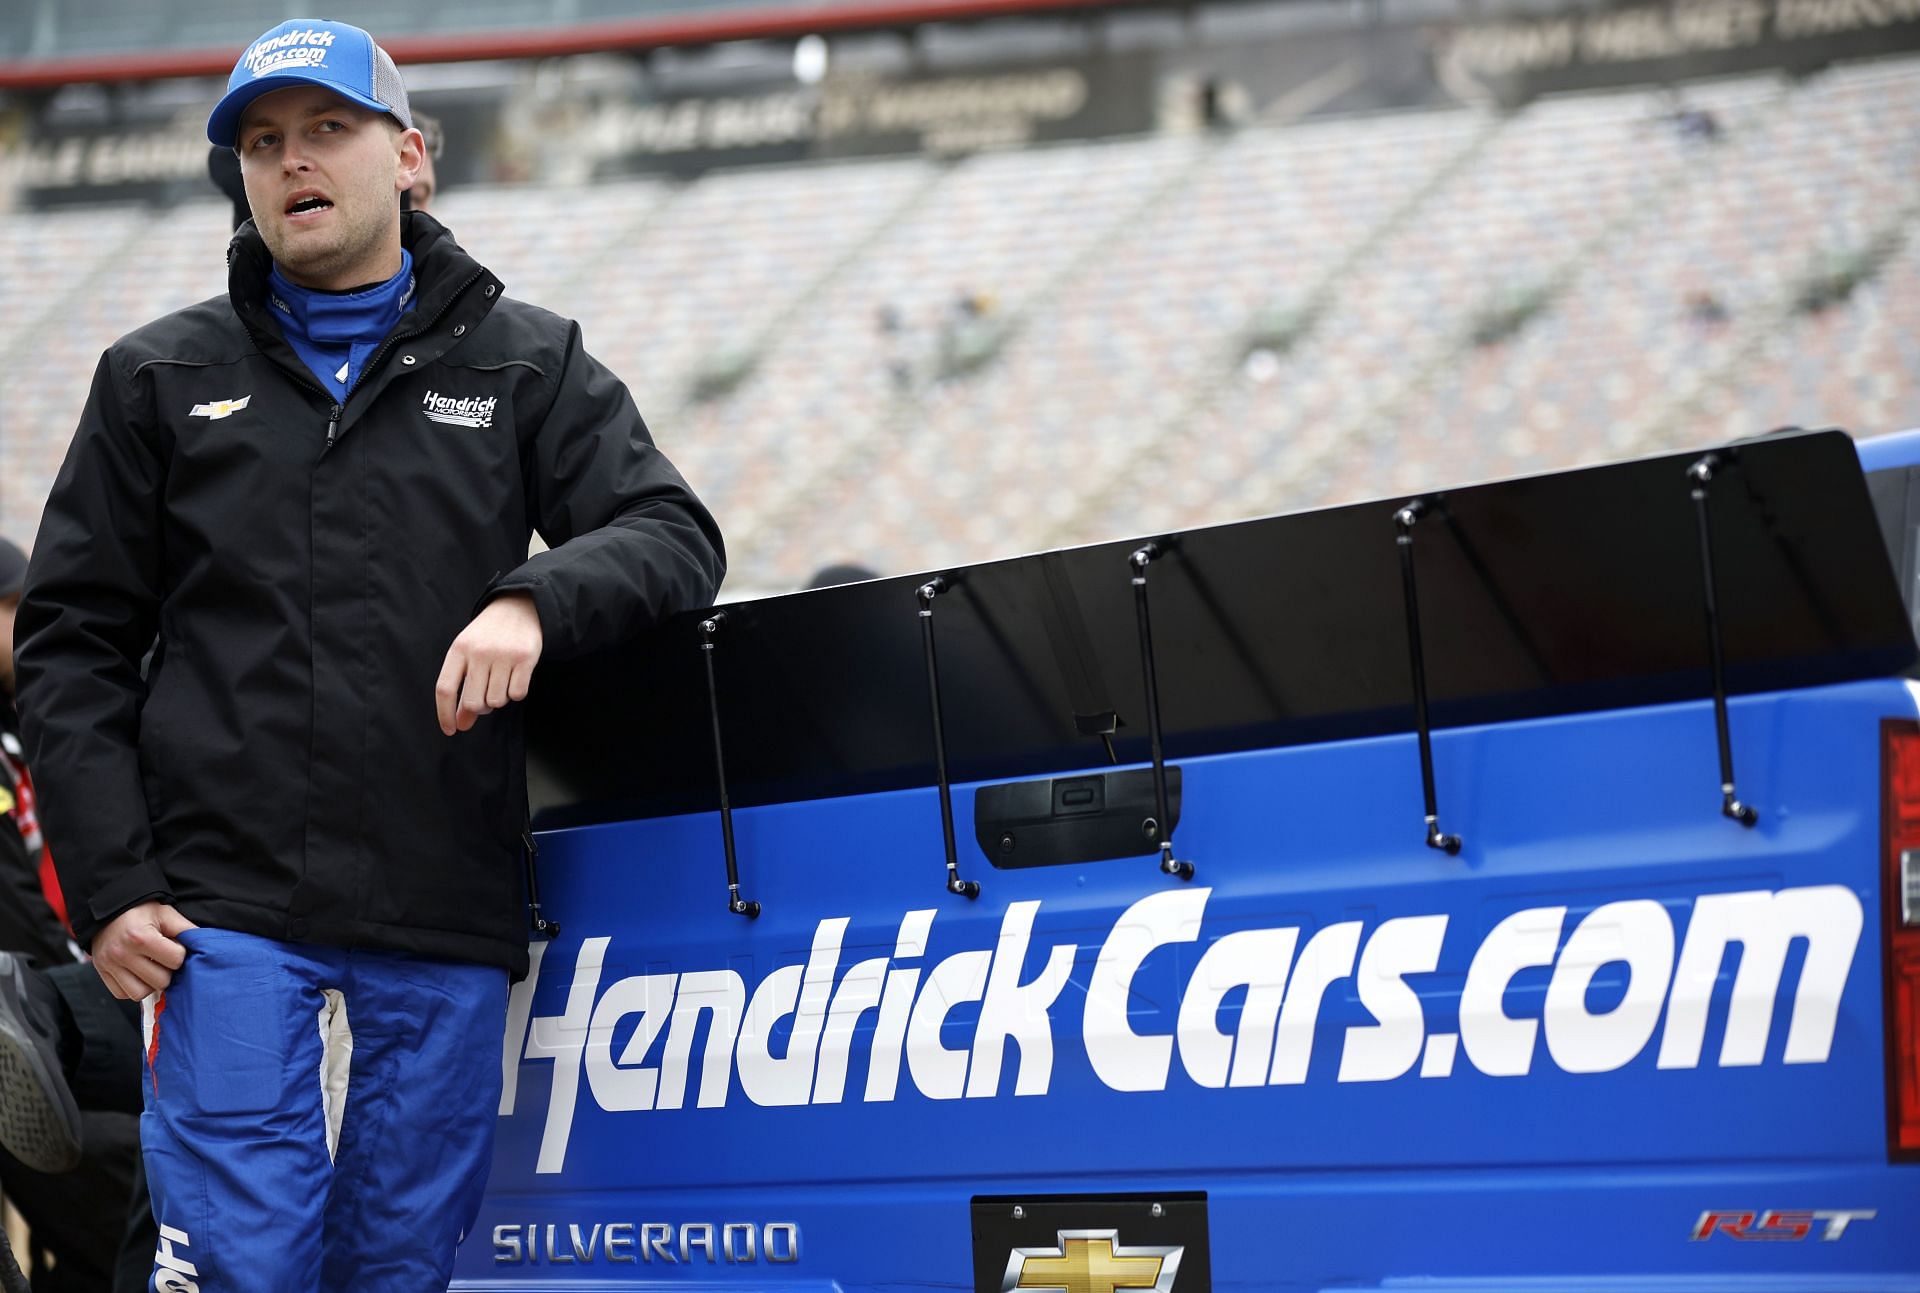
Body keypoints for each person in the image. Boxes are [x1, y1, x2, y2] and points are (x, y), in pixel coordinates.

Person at [15, 18, 724, 1289]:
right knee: (246, 1264)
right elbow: (71, 643)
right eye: (265, 144)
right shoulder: (156, 377)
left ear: (410, 158)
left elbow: (671, 531)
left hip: (438, 901)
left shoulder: (526, 360)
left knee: (401, 1267)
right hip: (220, 911)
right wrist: (113, 884)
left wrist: (534, 601)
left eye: (327, 132)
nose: (295, 163)